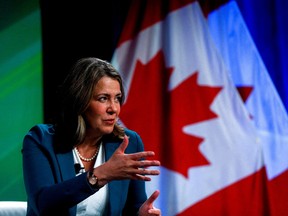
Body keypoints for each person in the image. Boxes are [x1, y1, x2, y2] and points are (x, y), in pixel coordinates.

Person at [22, 57, 161, 216]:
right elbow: (42, 204)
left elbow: (133, 207)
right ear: (80, 101)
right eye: (103, 98)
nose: (114, 108)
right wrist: (101, 174)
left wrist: (141, 214)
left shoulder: (128, 142)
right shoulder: (40, 140)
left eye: (117, 98)